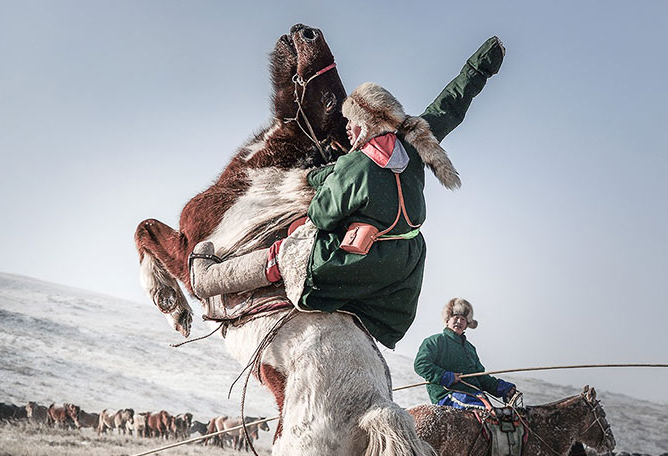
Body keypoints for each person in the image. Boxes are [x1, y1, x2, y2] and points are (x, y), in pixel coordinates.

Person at [189, 36, 506, 349]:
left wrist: (316, 186)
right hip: (403, 266)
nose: (349, 128)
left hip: (364, 259)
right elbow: (451, 104)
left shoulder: (356, 166)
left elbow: (322, 215)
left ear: (368, 124)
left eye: (352, 121)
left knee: (293, 247)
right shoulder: (412, 142)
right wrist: (481, 66)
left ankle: (211, 280)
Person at [414, 297, 518, 408]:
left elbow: (481, 377)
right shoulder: (435, 341)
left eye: (463, 319)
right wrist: (445, 376)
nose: (459, 321)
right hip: (448, 395)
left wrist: (502, 388)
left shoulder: (470, 349)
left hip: (476, 396)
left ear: (466, 325)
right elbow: (421, 364)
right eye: (456, 317)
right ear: (447, 320)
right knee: (480, 412)